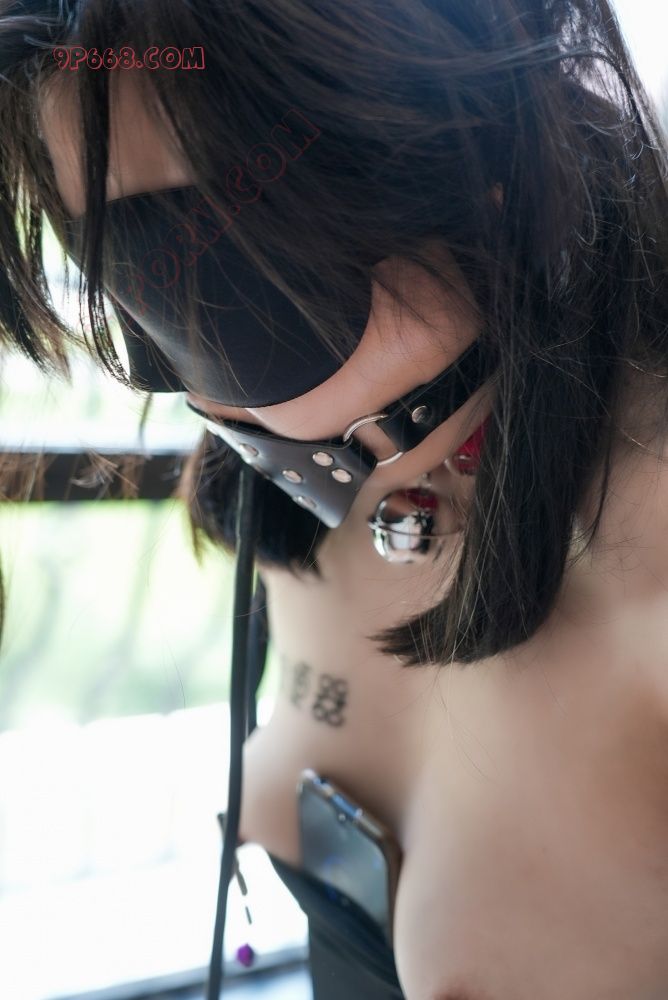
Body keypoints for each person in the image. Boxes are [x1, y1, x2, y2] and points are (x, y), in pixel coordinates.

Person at [1, 0, 668, 997]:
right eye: (135, 308)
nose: (204, 400)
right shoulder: (331, 506)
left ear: (478, 176)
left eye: (214, 299)